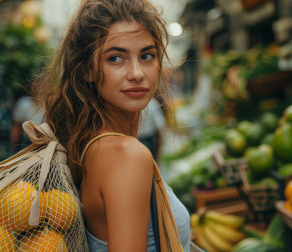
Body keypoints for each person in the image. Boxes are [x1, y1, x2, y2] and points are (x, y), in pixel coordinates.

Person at [37, 0, 190, 251]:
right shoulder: (127, 155)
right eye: (116, 58)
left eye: (147, 56)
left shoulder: (90, 144)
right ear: (88, 69)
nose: (137, 72)